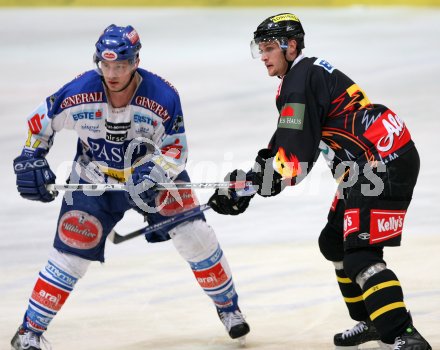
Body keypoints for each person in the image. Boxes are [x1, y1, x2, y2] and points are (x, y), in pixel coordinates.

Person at [11, 24, 250, 350]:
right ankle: (29, 332)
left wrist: (156, 173)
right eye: (106, 65)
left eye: (120, 66)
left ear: (135, 62)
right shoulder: (79, 91)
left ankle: (229, 310)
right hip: (94, 181)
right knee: (70, 254)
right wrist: (30, 156)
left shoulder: (163, 96)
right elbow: (39, 124)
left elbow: (176, 149)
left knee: (195, 236)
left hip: (152, 178)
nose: (112, 73)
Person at [208, 13, 431, 350]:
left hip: (379, 163)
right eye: (260, 49)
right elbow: (287, 143)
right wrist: (250, 182)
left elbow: (294, 163)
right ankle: (371, 320)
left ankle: (404, 335)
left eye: (269, 48)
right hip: (371, 160)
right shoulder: (301, 75)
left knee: (360, 255)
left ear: (291, 46)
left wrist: (249, 186)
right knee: (333, 242)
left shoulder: (298, 82)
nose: (263, 56)